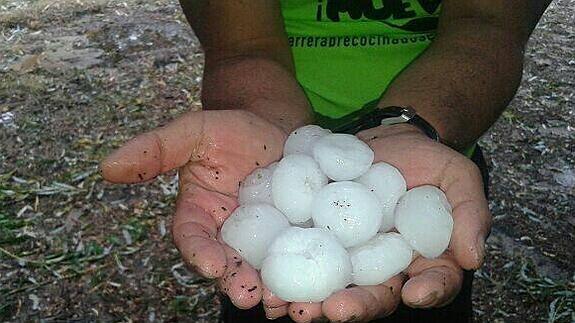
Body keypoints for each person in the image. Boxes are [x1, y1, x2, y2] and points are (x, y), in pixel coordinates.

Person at [100, 1, 551, 322]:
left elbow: (489, 24)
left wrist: (408, 125)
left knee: (428, 302)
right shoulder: (280, 203)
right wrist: (259, 117)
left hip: (436, 164)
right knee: (258, 299)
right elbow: (243, 46)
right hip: (269, 155)